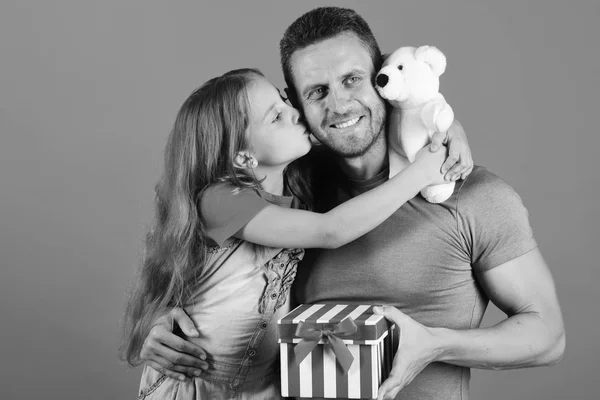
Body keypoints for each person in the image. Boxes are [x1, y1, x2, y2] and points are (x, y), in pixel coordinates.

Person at [135, 7, 565, 400]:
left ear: (383, 77)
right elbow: (207, 259)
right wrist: (166, 325)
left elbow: (548, 335)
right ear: (297, 104)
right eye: (316, 91)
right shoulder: (295, 189)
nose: (338, 104)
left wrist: (437, 344)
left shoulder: (474, 197)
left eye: (352, 79)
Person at [121, 67, 466, 399]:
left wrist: (449, 129)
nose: (295, 113)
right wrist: (421, 173)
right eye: (275, 116)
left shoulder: (298, 186)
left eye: (284, 102)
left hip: (262, 390)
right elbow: (332, 230)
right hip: (193, 389)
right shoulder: (220, 200)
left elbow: (387, 120)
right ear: (242, 157)